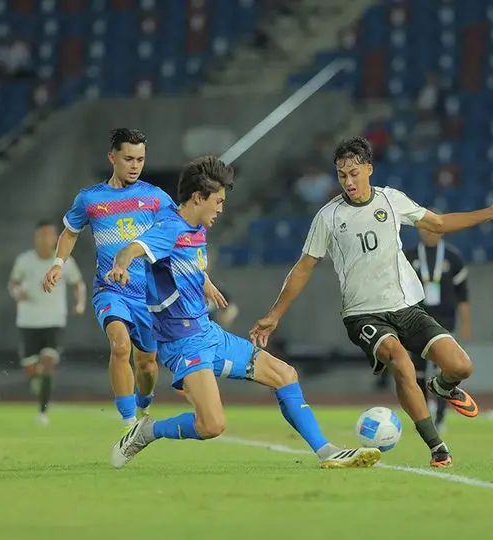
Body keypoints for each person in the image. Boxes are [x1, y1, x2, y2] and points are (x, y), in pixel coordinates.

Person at [249, 136, 493, 468]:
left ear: (369, 169)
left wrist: (490, 213)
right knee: (401, 361)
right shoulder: (329, 217)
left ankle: (441, 386)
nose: (348, 182)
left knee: (461, 366)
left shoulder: (391, 200)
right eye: (341, 175)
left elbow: (437, 223)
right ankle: (437, 446)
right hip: (362, 315)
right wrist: (274, 315)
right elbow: (304, 267)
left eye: (354, 173)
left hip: (406, 307)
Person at [107, 155, 381, 470]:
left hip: (208, 332)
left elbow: (181, 259)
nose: (222, 209)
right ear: (198, 197)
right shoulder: (169, 227)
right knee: (211, 426)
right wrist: (121, 264)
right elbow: (133, 248)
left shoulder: (194, 227)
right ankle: (147, 431)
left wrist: (205, 282)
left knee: (285, 375)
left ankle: (327, 451)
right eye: (218, 201)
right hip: (183, 344)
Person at [41, 128, 226, 435]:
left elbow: (180, 237)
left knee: (147, 365)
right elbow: (71, 232)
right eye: (128, 158)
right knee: (119, 345)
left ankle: (144, 401)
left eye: (140, 159)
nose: (135, 165)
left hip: (148, 298)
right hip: (111, 290)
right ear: (112, 158)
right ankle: (129, 423)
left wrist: (203, 279)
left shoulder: (155, 198)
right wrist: (58, 264)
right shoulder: (89, 199)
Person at [8, 220, 86, 425]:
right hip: (28, 321)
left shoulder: (64, 261)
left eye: (48, 235)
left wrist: (80, 304)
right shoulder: (24, 260)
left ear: (56, 238)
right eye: (40, 235)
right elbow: (13, 283)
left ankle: (43, 410)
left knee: (49, 362)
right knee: (31, 370)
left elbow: (78, 283)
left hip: (54, 320)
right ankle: (39, 384)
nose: (44, 239)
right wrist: (18, 293)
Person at [403, 225, 471, 433]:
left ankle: (441, 417)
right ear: (420, 231)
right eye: (425, 228)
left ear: (442, 230)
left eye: (433, 228)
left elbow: (463, 295)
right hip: (417, 320)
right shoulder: (410, 256)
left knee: (447, 370)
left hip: (446, 321)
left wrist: (466, 323)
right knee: (419, 371)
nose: (429, 232)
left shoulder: (452, 257)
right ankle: (424, 416)